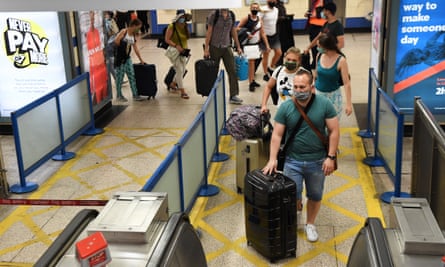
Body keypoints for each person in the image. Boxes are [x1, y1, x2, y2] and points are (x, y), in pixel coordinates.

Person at [262, 68, 340, 242]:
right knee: (292, 194)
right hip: (292, 161)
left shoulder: (324, 105)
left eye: (302, 87)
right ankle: (296, 213)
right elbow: (277, 135)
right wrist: (272, 159)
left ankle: (310, 224)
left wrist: (331, 157)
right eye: (295, 87)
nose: (298, 90)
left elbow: (334, 131)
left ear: (311, 87)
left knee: (315, 194)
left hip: (318, 162)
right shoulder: (286, 107)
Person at [205, 9, 243, 104]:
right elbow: (209, 32)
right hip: (214, 47)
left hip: (227, 47)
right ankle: (211, 95)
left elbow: (233, 31)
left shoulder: (231, 15)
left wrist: (238, 46)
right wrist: (206, 48)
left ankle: (233, 95)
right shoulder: (214, 15)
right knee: (213, 72)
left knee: (232, 71)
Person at [314, 33, 352, 118]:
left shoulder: (341, 61)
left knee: (333, 124)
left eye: (319, 46)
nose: (318, 49)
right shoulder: (319, 55)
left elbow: (347, 83)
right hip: (319, 95)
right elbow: (316, 76)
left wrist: (349, 104)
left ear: (326, 47)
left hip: (334, 97)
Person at [237, 2, 270, 92]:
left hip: (256, 44)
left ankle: (252, 80)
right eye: (253, 7)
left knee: (253, 62)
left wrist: (267, 45)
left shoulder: (259, 20)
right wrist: (247, 33)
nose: (255, 9)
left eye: (256, 8)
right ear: (250, 8)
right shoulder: (246, 18)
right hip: (248, 44)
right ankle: (251, 83)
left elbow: (262, 33)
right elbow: (237, 28)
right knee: (251, 63)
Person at [261, 47, 302, 113]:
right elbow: (268, 86)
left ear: (299, 61)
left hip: (297, 112)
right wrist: (263, 105)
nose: (290, 62)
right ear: (284, 58)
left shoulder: (303, 74)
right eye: (288, 59)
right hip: (281, 111)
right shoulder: (279, 70)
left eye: (294, 60)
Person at [304, 2, 345, 68]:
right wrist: (308, 48)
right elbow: (318, 37)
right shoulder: (326, 24)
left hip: (333, 57)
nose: (322, 13)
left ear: (328, 11)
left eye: (323, 10)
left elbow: (341, 44)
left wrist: (329, 51)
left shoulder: (337, 26)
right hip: (325, 56)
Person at [114, 18, 145, 102]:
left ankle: (135, 95)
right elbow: (116, 42)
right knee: (120, 77)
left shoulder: (133, 35)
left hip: (127, 59)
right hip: (120, 59)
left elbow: (135, 48)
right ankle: (119, 95)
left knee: (132, 76)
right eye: (138, 27)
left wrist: (141, 59)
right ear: (134, 26)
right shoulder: (124, 32)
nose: (139, 29)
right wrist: (124, 44)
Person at [164, 9, 192, 99]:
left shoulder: (185, 26)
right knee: (179, 70)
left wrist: (185, 50)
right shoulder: (172, 26)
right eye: (181, 17)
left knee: (183, 70)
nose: (182, 19)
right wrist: (176, 46)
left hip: (183, 51)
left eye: (183, 17)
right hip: (174, 51)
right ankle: (182, 91)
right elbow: (167, 39)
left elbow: (186, 38)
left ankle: (173, 83)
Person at [260, 0, 282, 82]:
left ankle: (271, 67)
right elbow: (260, 24)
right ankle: (265, 73)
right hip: (265, 36)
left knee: (279, 53)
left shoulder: (276, 10)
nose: (273, 1)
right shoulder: (262, 10)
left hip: (274, 35)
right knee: (266, 55)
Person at [304, 0, 328, 69]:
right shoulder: (314, 2)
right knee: (313, 46)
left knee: (320, 45)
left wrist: (316, 14)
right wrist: (307, 14)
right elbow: (312, 11)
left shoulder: (326, 2)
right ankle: (315, 61)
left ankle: (320, 62)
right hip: (312, 26)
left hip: (320, 26)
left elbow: (324, 14)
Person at [104, 11, 119, 80]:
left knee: (111, 62)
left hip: (109, 44)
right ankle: (117, 78)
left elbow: (108, 33)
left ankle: (117, 77)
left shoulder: (106, 23)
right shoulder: (112, 21)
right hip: (112, 43)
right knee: (111, 62)